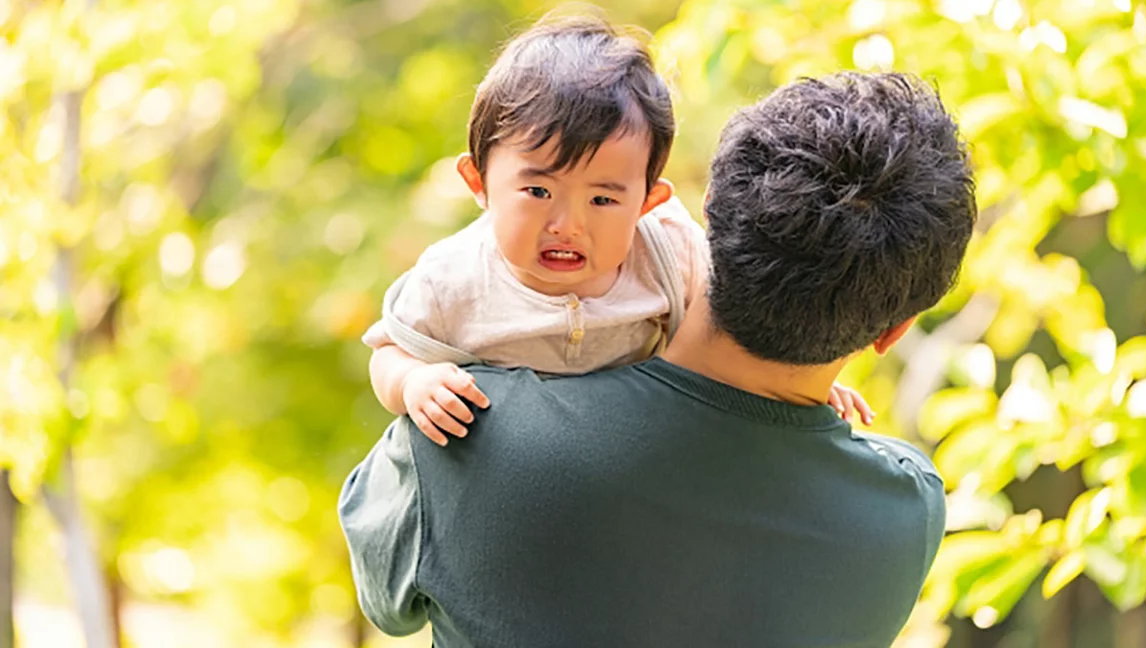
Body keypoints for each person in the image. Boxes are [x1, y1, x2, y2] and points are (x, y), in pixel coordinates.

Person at [339, 69, 975, 647]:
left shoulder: (463, 432)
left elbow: (386, 604)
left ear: (698, 215)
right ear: (895, 330)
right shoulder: (904, 511)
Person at [361, 15, 871, 448]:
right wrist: (413, 382)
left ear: (648, 202)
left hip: (639, 461)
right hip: (515, 472)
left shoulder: (670, 253)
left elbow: (733, 344)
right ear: (479, 182)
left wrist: (803, 382)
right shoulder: (451, 280)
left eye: (603, 200)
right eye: (538, 193)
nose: (568, 225)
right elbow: (390, 352)